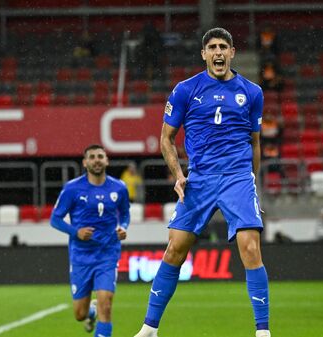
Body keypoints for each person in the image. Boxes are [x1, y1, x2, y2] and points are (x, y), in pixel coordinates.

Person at [133, 28, 270, 337]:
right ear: (204, 54)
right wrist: (179, 175)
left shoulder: (252, 92)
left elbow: (255, 142)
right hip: (200, 179)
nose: (218, 52)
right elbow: (166, 139)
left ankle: (262, 330)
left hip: (237, 178)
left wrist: (251, 179)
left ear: (232, 53)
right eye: (212, 47)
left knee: (250, 247)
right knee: (174, 250)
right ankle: (150, 328)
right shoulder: (185, 90)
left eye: (224, 46)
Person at [50, 144, 130, 337]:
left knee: (106, 303)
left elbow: (125, 215)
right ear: (85, 163)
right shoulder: (72, 189)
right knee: (80, 314)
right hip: (81, 256)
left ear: (107, 161)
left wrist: (123, 228)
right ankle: (90, 313)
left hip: (107, 253)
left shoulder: (119, 188)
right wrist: (75, 232)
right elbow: (55, 219)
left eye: (100, 156)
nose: (96, 160)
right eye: (92, 157)